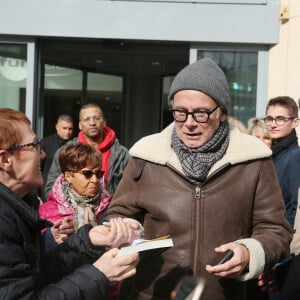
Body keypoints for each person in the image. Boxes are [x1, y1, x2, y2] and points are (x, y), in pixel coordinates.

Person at [105, 58, 292, 300]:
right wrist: (125, 229)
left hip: (222, 293)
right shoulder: (146, 156)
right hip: (152, 292)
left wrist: (248, 252)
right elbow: (118, 214)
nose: (189, 123)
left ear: (222, 113)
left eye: (201, 113)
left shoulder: (254, 160)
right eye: (180, 113)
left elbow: (276, 230)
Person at [0, 107, 140, 299]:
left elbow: (38, 273)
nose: (42, 155)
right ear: (5, 160)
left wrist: (87, 240)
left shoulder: (18, 207)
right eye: (34, 145)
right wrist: (99, 275)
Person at [44, 103, 130, 199]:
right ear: (80, 125)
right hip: (72, 212)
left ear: (104, 122)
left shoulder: (122, 154)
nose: (92, 123)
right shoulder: (66, 152)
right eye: (86, 119)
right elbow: (51, 188)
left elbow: (131, 190)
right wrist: (73, 209)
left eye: (96, 118)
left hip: (111, 212)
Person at [39, 143, 112, 250]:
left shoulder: (112, 207)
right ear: (68, 176)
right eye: (87, 174)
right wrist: (52, 238)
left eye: (98, 174)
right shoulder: (45, 212)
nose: (94, 180)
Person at [263, 96, 300, 228]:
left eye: (280, 119)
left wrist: (285, 240)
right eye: (269, 119)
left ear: (295, 122)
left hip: (283, 238)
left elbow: (294, 206)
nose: (273, 124)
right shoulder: (273, 154)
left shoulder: (295, 156)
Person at [40, 114, 74, 201]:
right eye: (64, 128)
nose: (67, 132)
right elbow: (37, 169)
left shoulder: (76, 144)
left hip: (69, 191)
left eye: (70, 129)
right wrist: (37, 195)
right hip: (46, 189)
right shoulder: (45, 143)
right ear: (57, 127)